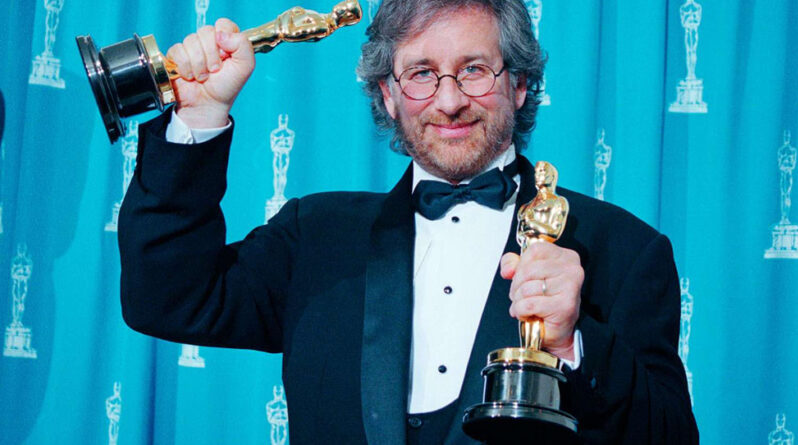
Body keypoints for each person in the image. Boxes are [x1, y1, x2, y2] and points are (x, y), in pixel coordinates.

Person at [118, 0, 698, 443]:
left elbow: (670, 436)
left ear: (519, 85)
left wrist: (574, 342)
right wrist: (199, 115)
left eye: (474, 70)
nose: (449, 101)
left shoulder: (623, 250)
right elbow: (166, 298)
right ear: (389, 95)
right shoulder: (315, 236)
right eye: (421, 73)